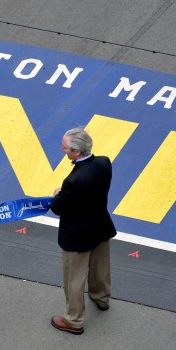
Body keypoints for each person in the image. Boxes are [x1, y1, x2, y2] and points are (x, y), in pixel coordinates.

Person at [49, 126, 116, 335]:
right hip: (100, 226)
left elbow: (58, 207)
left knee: (74, 279)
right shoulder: (104, 163)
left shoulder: (73, 181)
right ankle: (101, 297)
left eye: (65, 147)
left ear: (76, 152)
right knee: (100, 268)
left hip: (77, 235)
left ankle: (73, 320)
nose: (63, 150)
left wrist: (58, 195)